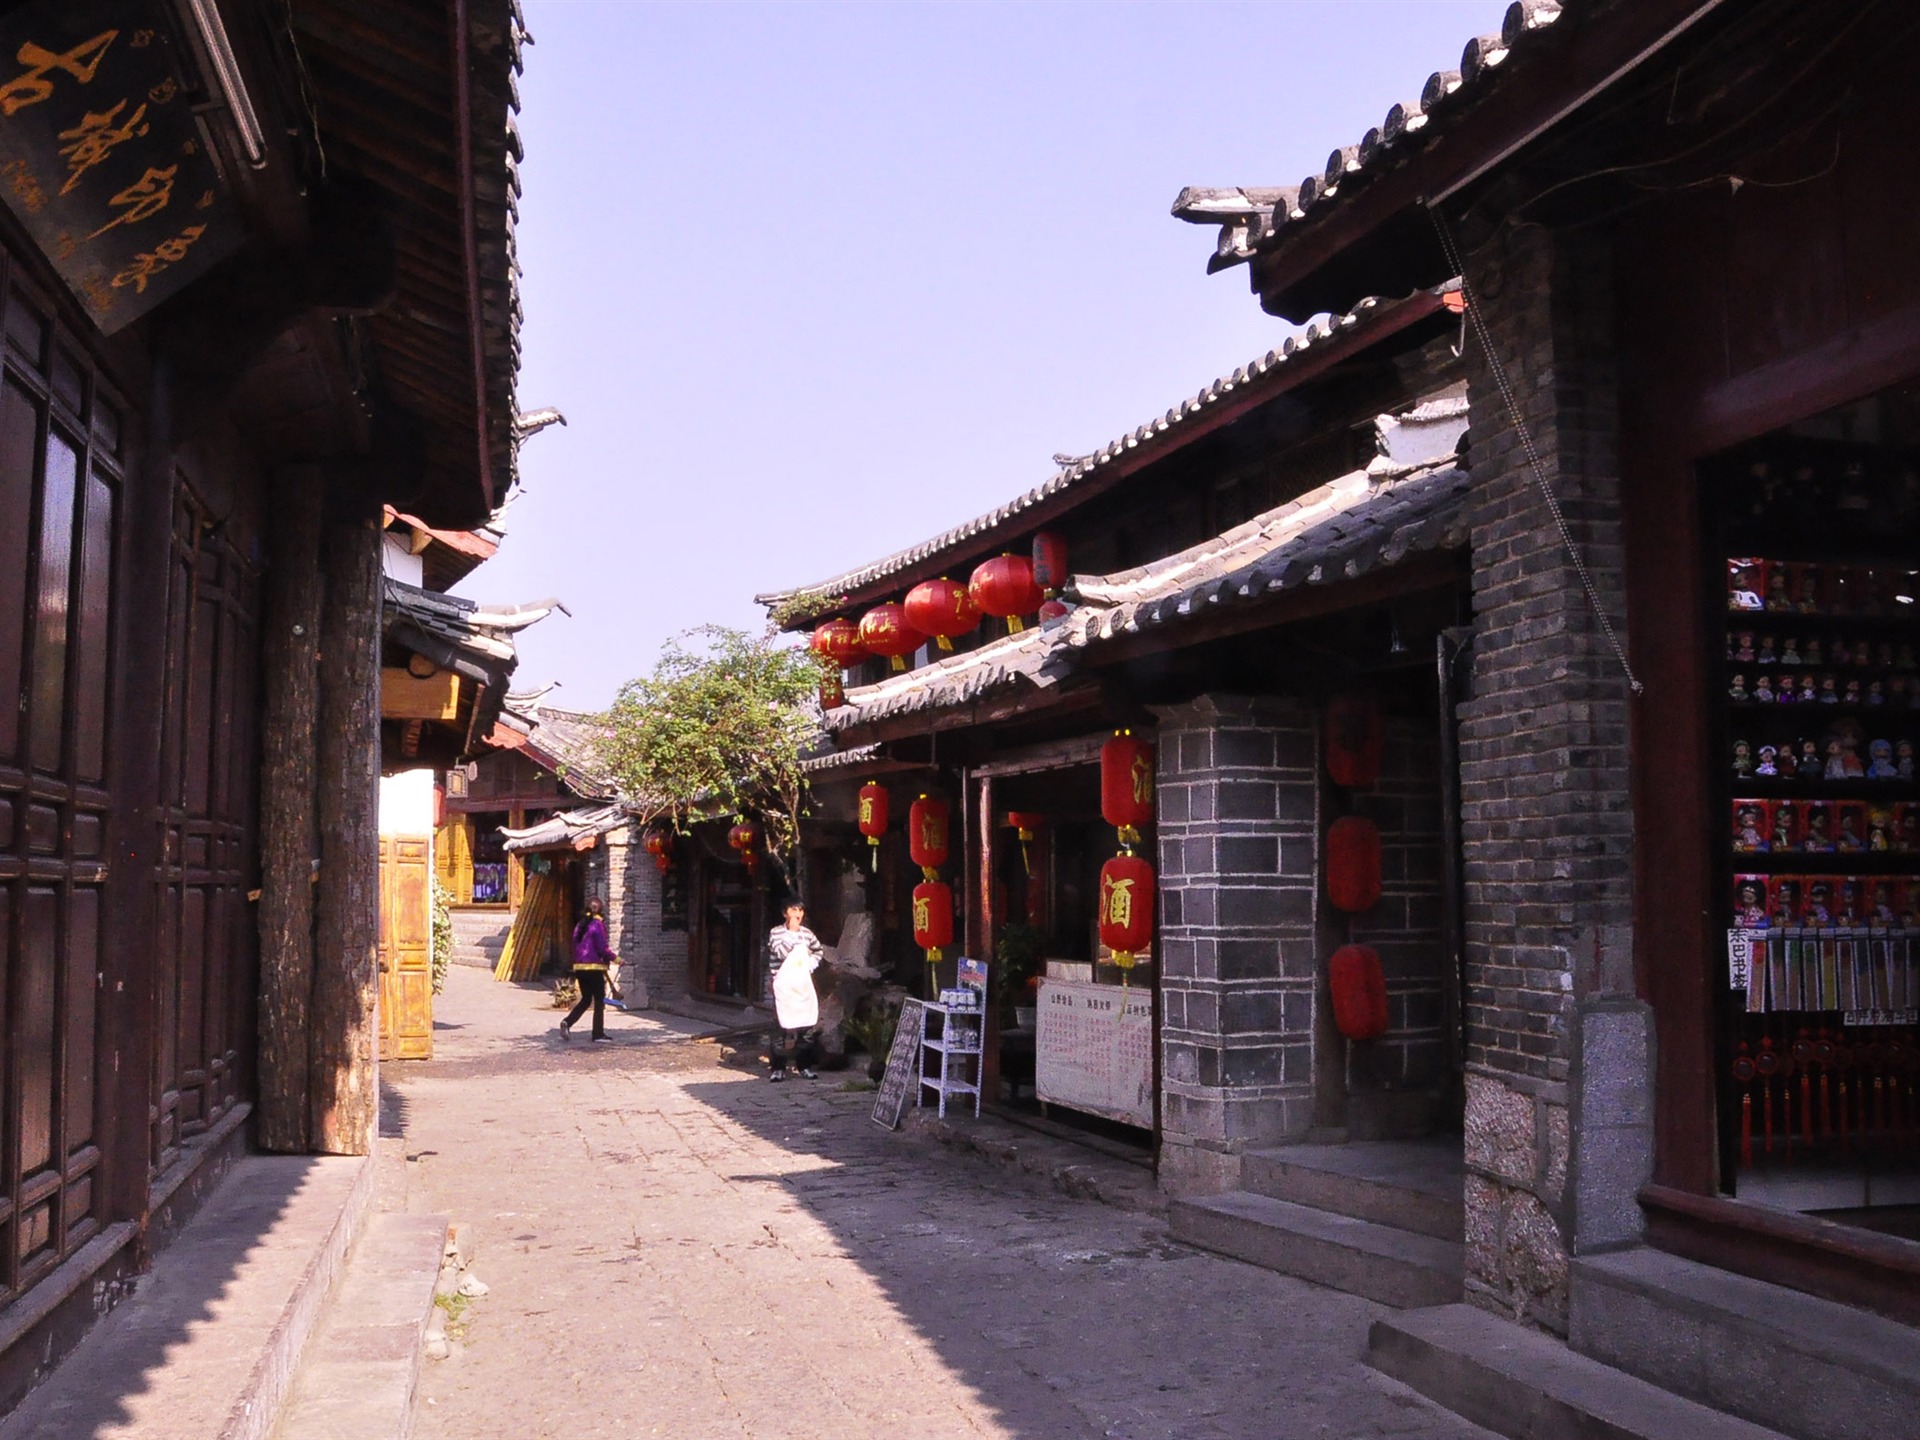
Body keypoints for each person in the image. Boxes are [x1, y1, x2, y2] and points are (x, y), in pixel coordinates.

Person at [766, 899, 824, 1081]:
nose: (797, 913)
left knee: (806, 1027)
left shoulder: (807, 934)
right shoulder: (776, 933)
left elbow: (818, 951)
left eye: (800, 910)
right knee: (781, 1027)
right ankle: (778, 1068)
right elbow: (781, 953)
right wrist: (791, 933)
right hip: (783, 986)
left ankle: (804, 1066)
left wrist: (810, 964)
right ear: (785, 913)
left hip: (802, 985)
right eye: (793, 910)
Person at [560, 897, 616, 1042]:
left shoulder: (580, 925)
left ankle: (568, 1022)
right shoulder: (597, 925)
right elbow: (602, 948)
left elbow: (575, 945)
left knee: (586, 999)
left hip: (579, 967)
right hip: (593, 967)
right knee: (599, 1000)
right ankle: (597, 1034)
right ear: (600, 910)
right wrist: (617, 959)